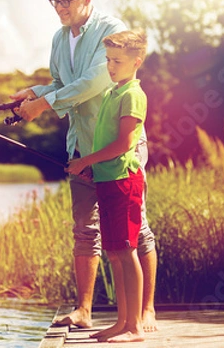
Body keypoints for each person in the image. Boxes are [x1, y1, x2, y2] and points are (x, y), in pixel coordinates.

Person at [10, 0, 158, 332]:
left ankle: (146, 311)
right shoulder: (60, 39)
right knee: (84, 230)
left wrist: (45, 105)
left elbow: (95, 82)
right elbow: (62, 84)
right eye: (55, 0)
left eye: (66, 1)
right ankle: (84, 311)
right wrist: (35, 91)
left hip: (117, 148)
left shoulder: (111, 29)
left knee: (136, 230)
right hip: (81, 146)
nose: (59, 8)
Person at [66, 29, 148, 342]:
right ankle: (122, 322)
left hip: (125, 182)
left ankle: (136, 327)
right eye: (108, 60)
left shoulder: (132, 95)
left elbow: (125, 144)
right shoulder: (114, 92)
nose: (111, 66)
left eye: (117, 61)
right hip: (108, 179)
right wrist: (93, 169)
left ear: (136, 62)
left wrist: (86, 161)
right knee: (114, 252)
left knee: (127, 252)